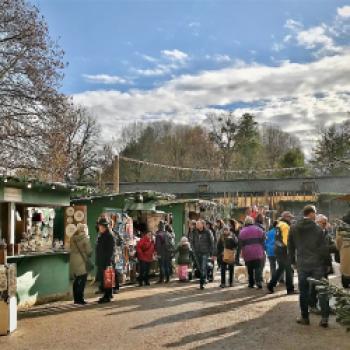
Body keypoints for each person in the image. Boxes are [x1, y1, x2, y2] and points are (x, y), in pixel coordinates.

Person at [288, 205, 330, 327]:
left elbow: (290, 247)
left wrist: (292, 262)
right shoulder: (318, 229)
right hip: (317, 264)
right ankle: (324, 318)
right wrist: (327, 264)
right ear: (311, 213)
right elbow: (324, 249)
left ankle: (305, 317)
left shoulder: (294, 227)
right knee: (322, 290)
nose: (316, 215)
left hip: (302, 264)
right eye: (315, 213)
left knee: (304, 292)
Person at [267, 211, 295, 295]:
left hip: (277, 249)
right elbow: (286, 241)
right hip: (284, 250)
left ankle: (271, 285)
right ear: (286, 217)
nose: (291, 219)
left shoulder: (279, 224)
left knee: (281, 268)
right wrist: (291, 249)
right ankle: (290, 289)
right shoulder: (285, 226)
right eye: (290, 217)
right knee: (288, 269)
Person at [239, 216, 265, 289]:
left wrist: (240, 252)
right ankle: (258, 282)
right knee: (257, 267)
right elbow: (263, 238)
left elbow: (240, 243)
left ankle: (251, 283)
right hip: (258, 251)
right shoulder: (259, 229)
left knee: (249, 268)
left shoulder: (242, 231)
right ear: (252, 221)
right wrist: (261, 246)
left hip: (247, 252)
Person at [70, 224, 93, 305]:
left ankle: (76, 299)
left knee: (76, 280)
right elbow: (89, 252)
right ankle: (80, 299)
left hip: (73, 260)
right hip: (82, 261)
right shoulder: (85, 239)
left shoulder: (72, 238)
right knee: (82, 280)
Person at [95, 217, 115, 304]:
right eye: (99, 226)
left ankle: (107, 296)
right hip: (103, 261)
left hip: (105, 262)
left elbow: (110, 251)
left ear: (104, 226)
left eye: (100, 226)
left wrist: (107, 262)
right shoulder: (103, 235)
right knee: (107, 279)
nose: (99, 227)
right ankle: (109, 294)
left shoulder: (108, 236)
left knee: (106, 279)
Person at [192, 220, 214, 290]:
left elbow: (212, 241)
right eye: (197, 224)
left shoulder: (208, 232)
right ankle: (204, 278)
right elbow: (192, 241)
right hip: (197, 252)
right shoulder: (194, 232)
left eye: (198, 224)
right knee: (200, 268)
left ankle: (202, 283)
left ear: (202, 225)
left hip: (205, 252)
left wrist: (211, 252)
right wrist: (193, 249)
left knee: (203, 267)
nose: (197, 225)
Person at [336, 212, 350, 289]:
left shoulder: (342, 223)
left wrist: (340, 249)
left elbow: (338, 241)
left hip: (346, 251)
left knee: (345, 272)